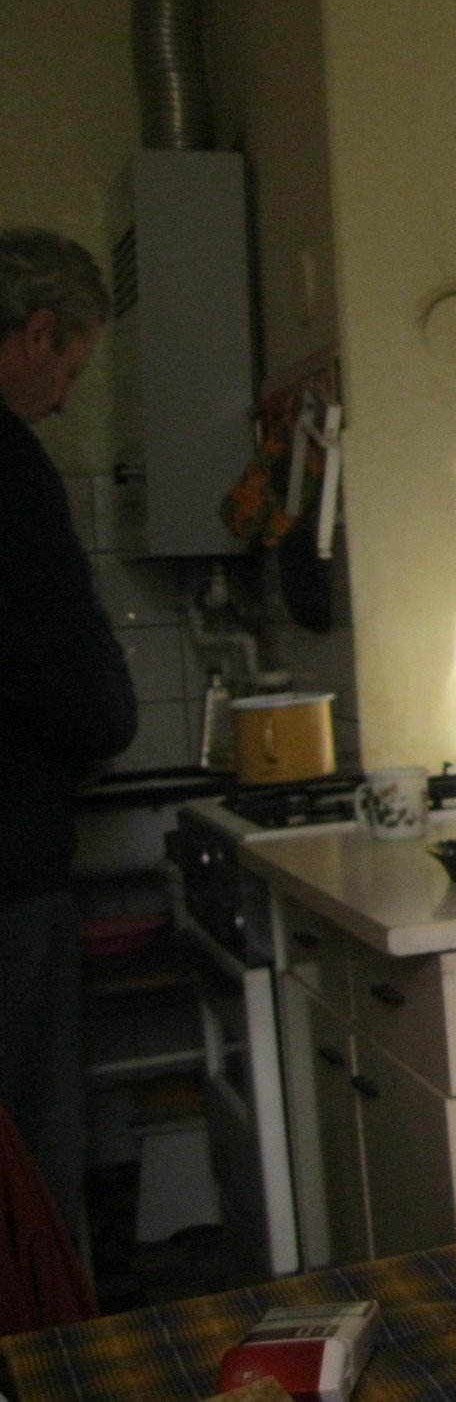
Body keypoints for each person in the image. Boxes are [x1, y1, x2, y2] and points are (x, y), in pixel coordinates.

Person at [0, 227, 136, 1247]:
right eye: (72, 372)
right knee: (29, 1166)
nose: (62, 400)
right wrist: (100, 728)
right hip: (6, 873)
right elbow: (67, 674)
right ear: (37, 334)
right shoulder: (9, 470)